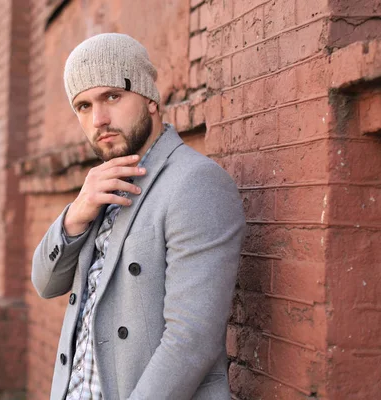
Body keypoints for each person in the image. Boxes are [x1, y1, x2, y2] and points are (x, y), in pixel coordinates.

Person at [32, 33, 246, 400]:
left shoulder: (195, 183)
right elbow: (45, 283)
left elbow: (190, 342)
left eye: (112, 96)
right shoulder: (98, 190)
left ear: (149, 98)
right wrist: (75, 216)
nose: (99, 119)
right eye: (83, 106)